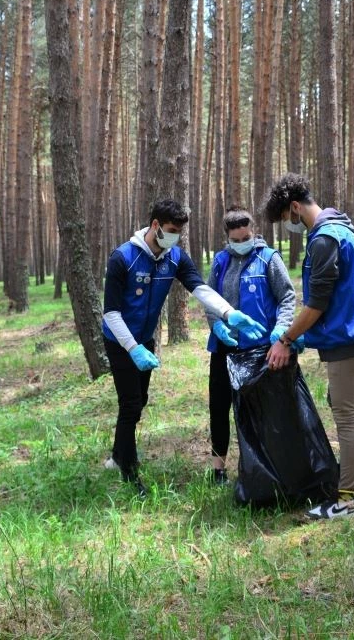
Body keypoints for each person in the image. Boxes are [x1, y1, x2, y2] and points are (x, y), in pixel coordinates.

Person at [102, 199, 266, 497]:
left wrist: (229, 314)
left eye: (179, 231)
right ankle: (129, 471)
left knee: (139, 401)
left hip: (144, 338)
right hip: (119, 339)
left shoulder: (174, 257)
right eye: (171, 230)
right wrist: (132, 349)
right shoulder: (123, 258)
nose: (175, 236)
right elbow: (111, 313)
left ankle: (116, 455)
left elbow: (199, 288)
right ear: (155, 226)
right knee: (129, 404)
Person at [263, 174, 354, 520]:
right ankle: (349, 480)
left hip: (351, 336)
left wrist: (286, 338)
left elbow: (316, 304)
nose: (290, 225)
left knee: (346, 416)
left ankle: (347, 499)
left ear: (296, 207)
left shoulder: (324, 239)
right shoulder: (340, 227)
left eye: (288, 218)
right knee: (342, 403)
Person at [204, 207, 296, 484]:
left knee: (259, 410)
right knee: (219, 408)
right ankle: (218, 469)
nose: (242, 242)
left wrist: (281, 329)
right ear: (228, 238)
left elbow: (287, 297)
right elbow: (209, 299)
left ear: (253, 232)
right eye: (236, 238)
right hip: (224, 348)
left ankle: (264, 466)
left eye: (246, 236)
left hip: (260, 351)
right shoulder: (221, 262)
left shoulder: (268, 258)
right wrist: (216, 325)